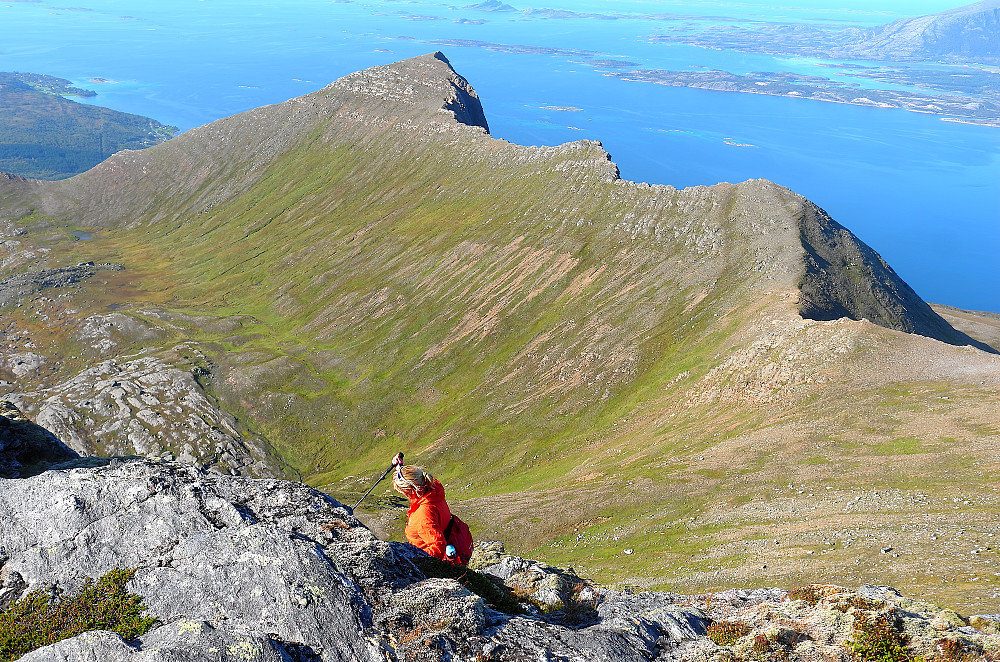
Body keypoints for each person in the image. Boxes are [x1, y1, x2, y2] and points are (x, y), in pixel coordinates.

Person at [391, 453, 469, 564]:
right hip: (450, 538)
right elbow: (416, 479)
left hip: (427, 560)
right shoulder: (433, 487)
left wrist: (412, 560)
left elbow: (437, 548)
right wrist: (400, 469)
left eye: (403, 491)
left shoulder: (423, 516)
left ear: (412, 491)